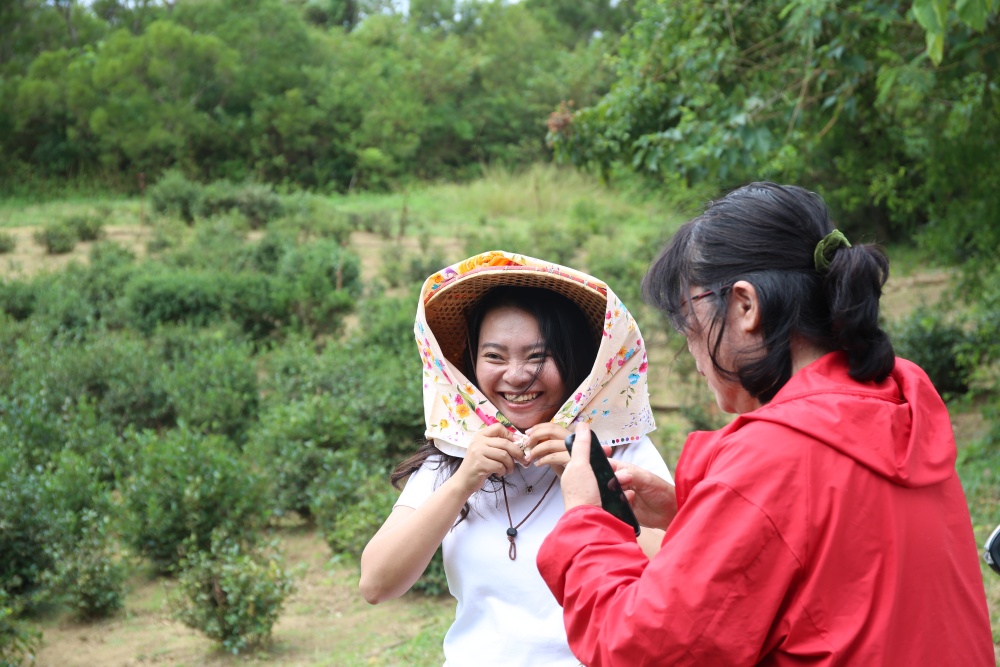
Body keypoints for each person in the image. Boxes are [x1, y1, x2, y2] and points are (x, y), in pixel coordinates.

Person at [537, 183, 995, 666]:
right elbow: (840, 559)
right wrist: (693, 513)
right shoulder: (894, 408)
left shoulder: (774, 457)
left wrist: (585, 521)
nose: (690, 347)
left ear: (745, 306)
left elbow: (640, 648)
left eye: (688, 321)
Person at [359, 250, 672, 667]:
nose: (517, 375)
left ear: (574, 359)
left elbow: (671, 579)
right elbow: (376, 584)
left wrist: (586, 475)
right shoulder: (454, 456)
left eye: (538, 355)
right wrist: (462, 483)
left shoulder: (620, 448)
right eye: (495, 356)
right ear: (471, 363)